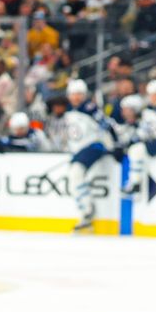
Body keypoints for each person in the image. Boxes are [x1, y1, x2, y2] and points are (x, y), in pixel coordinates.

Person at [63, 78, 113, 232]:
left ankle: (87, 210)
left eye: (79, 94)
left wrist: (114, 145)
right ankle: (85, 209)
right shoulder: (70, 111)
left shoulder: (90, 108)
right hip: (81, 149)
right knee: (74, 176)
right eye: (73, 94)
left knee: (76, 172)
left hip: (94, 146)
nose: (76, 97)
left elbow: (107, 126)